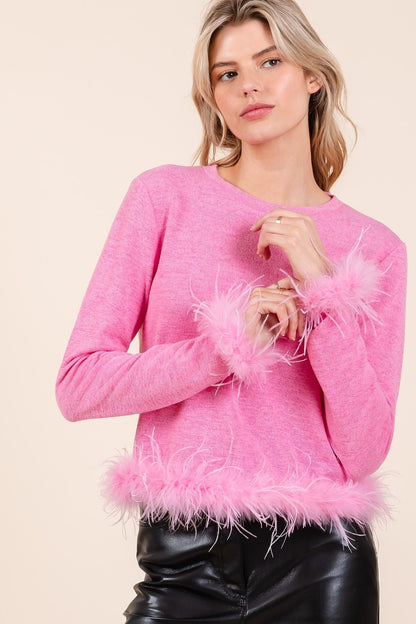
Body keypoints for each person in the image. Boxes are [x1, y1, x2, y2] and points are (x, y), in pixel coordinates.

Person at [55, 0, 407, 622]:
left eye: (270, 62)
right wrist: (221, 348)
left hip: (321, 561)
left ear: (313, 75)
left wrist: (322, 288)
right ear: (213, 96)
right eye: (227, 73)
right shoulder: (164, 197)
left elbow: (364, 451)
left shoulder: (376, 247)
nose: (249, 84)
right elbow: (79, 385)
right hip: (183, 553)